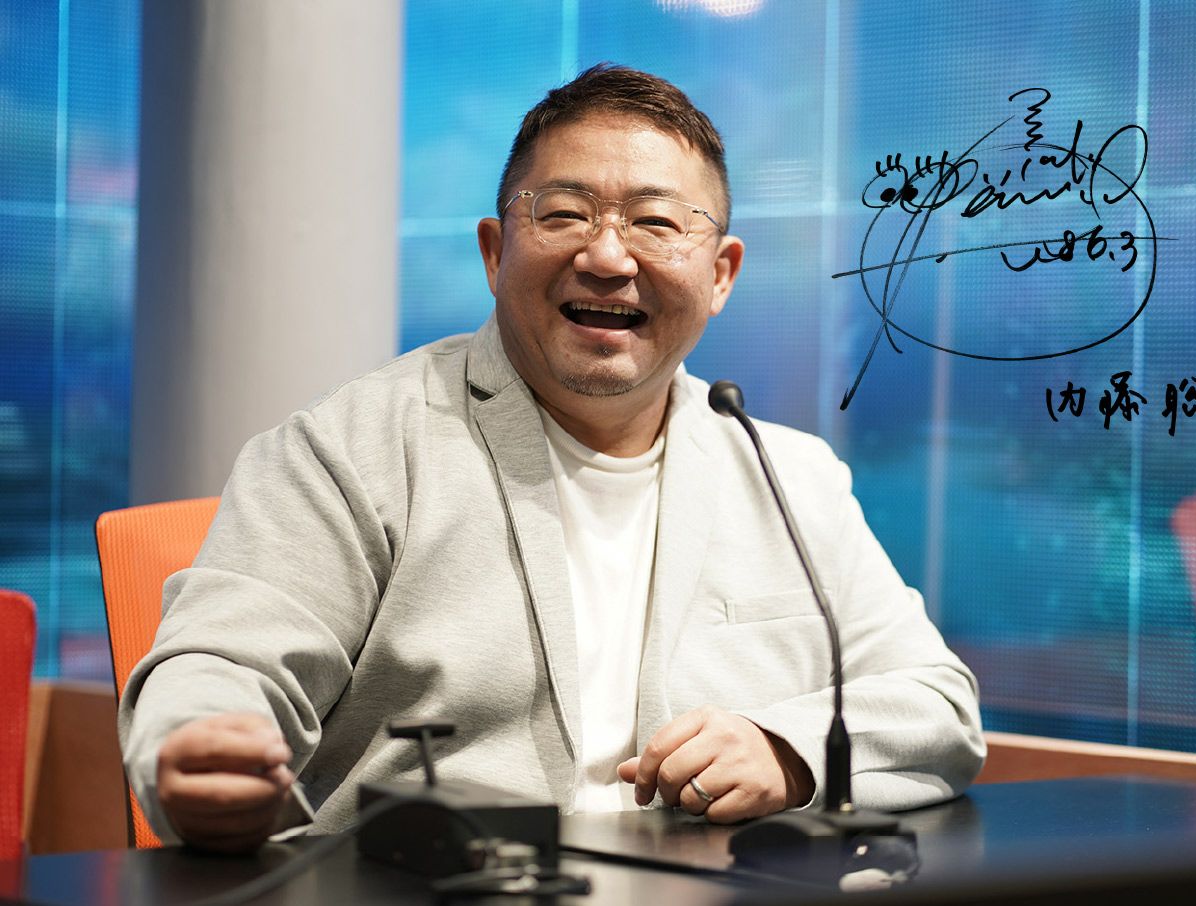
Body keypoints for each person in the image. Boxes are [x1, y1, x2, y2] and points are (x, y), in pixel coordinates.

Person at [118, 64, 985, 853]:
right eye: (564, 214)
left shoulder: (787, 474)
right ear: (496, 252)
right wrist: (198, 745)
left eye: (656, 223)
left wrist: (786, 750)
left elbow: (936, 704)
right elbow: (220, 665)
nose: (606, 256)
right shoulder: (354, 447)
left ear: (721, 274)